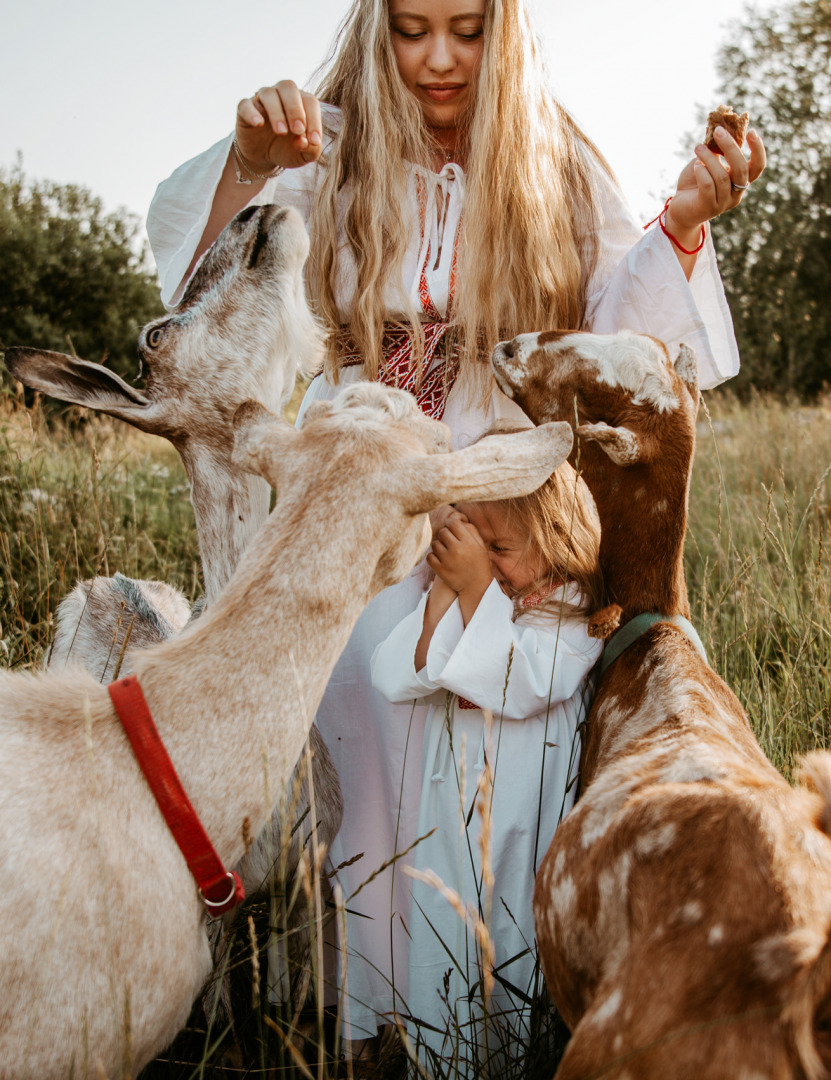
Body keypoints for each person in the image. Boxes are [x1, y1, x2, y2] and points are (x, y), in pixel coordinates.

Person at [146, 0, 766, 1058]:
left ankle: (480, 1019)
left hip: (505, 507)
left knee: (491, 752)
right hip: (351, 516)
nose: (439, 59)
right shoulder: (324, 148)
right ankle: (343, 1024)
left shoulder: (553, 160)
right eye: (413, 28)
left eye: (468, 29)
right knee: (353, 749)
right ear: (375, 30)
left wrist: (682, 225)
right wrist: (249, 166)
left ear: (505, 32)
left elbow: (617, 343)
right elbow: (204, 313)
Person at [370, 457, 603, 1071]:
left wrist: (475, 587)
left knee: (511, 938)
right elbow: (400, 673)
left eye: (497, 547)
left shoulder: (573, 611)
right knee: (448, 931)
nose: (488, 563)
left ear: (554, 538)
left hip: (523, 822)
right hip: (451, 811)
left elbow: (525, 681)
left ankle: (514, 1059)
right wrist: (450, 584)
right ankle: (447, 1056)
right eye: (476, 543)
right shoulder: (485, 590)